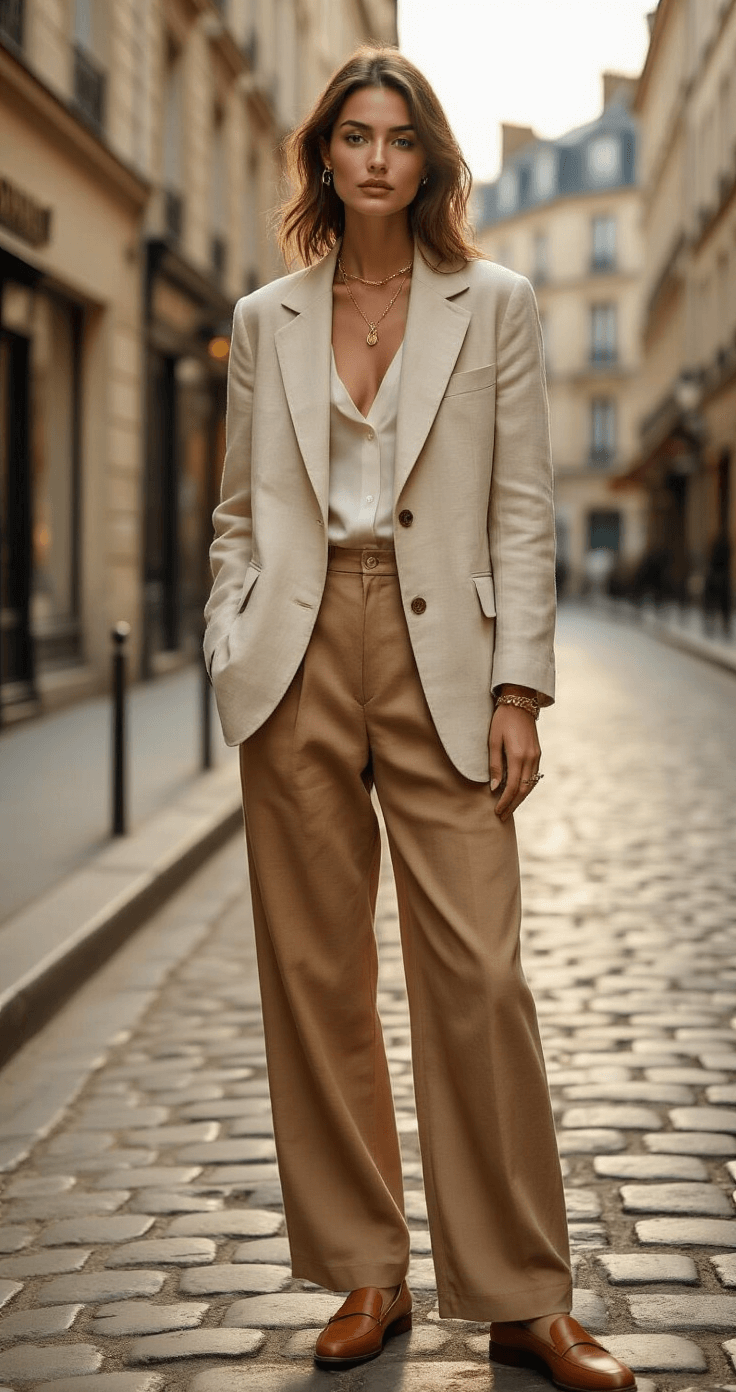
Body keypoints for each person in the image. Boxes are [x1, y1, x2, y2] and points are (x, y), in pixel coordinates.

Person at [204, 44, 634, 1389]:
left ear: (428, 158)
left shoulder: (493, 302)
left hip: (445, 654)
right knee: (316, 978)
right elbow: (233, 510)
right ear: (324, 156)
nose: (376, 157)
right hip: (298, 654)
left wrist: (523, 685)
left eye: (399, 137)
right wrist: (236, 625)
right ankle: (366, 1274)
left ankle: (521, 1294)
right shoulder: (265, 317)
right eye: (354, 136)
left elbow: (522, 502)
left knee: (482, 978)